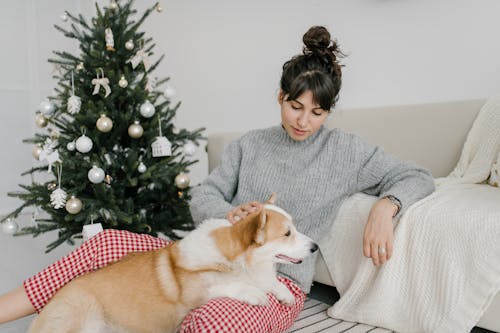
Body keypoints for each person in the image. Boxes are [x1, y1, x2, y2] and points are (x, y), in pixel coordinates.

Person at [0, 26, 435, 332]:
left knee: (211, 321)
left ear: (328, 112)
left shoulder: (345, 150)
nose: (304, 121)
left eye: (317, 113)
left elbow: (415, 175)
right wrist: (228, 213)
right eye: (295, 107)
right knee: (106, 243)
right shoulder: (250, 144)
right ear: (280, 97)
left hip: (273, 283)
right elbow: (206, 194)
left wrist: (386, 205)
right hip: (211, 261)